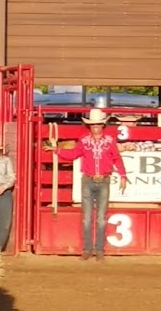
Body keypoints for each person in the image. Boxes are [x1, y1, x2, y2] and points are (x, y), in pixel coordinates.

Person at [43, 108, 127, 262]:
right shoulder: (85, 140)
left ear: (102, 125)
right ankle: (89, 249)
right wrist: (57, 150)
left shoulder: (109, 141)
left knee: (100, 218)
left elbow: (117, 158)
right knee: (88, 218)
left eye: (98, 125)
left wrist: (123, 174)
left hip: (102, 179)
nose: (95, 127)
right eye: (93, 125)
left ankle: (98, 250)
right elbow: (74, 154)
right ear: (90, 126)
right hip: (89, 180)